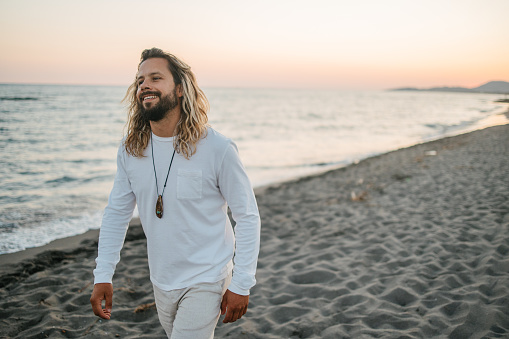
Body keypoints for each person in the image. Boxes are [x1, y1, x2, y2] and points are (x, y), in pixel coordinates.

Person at [90, 47, 261, 338]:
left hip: (208, 276)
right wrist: (103, 275)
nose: (145, 85)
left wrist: (241, 283)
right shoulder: (131, 150)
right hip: (161, 280)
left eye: (156, 77)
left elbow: (247, 216)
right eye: (141, 80)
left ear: (180, 89)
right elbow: (116, 214)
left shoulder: (217, 148)